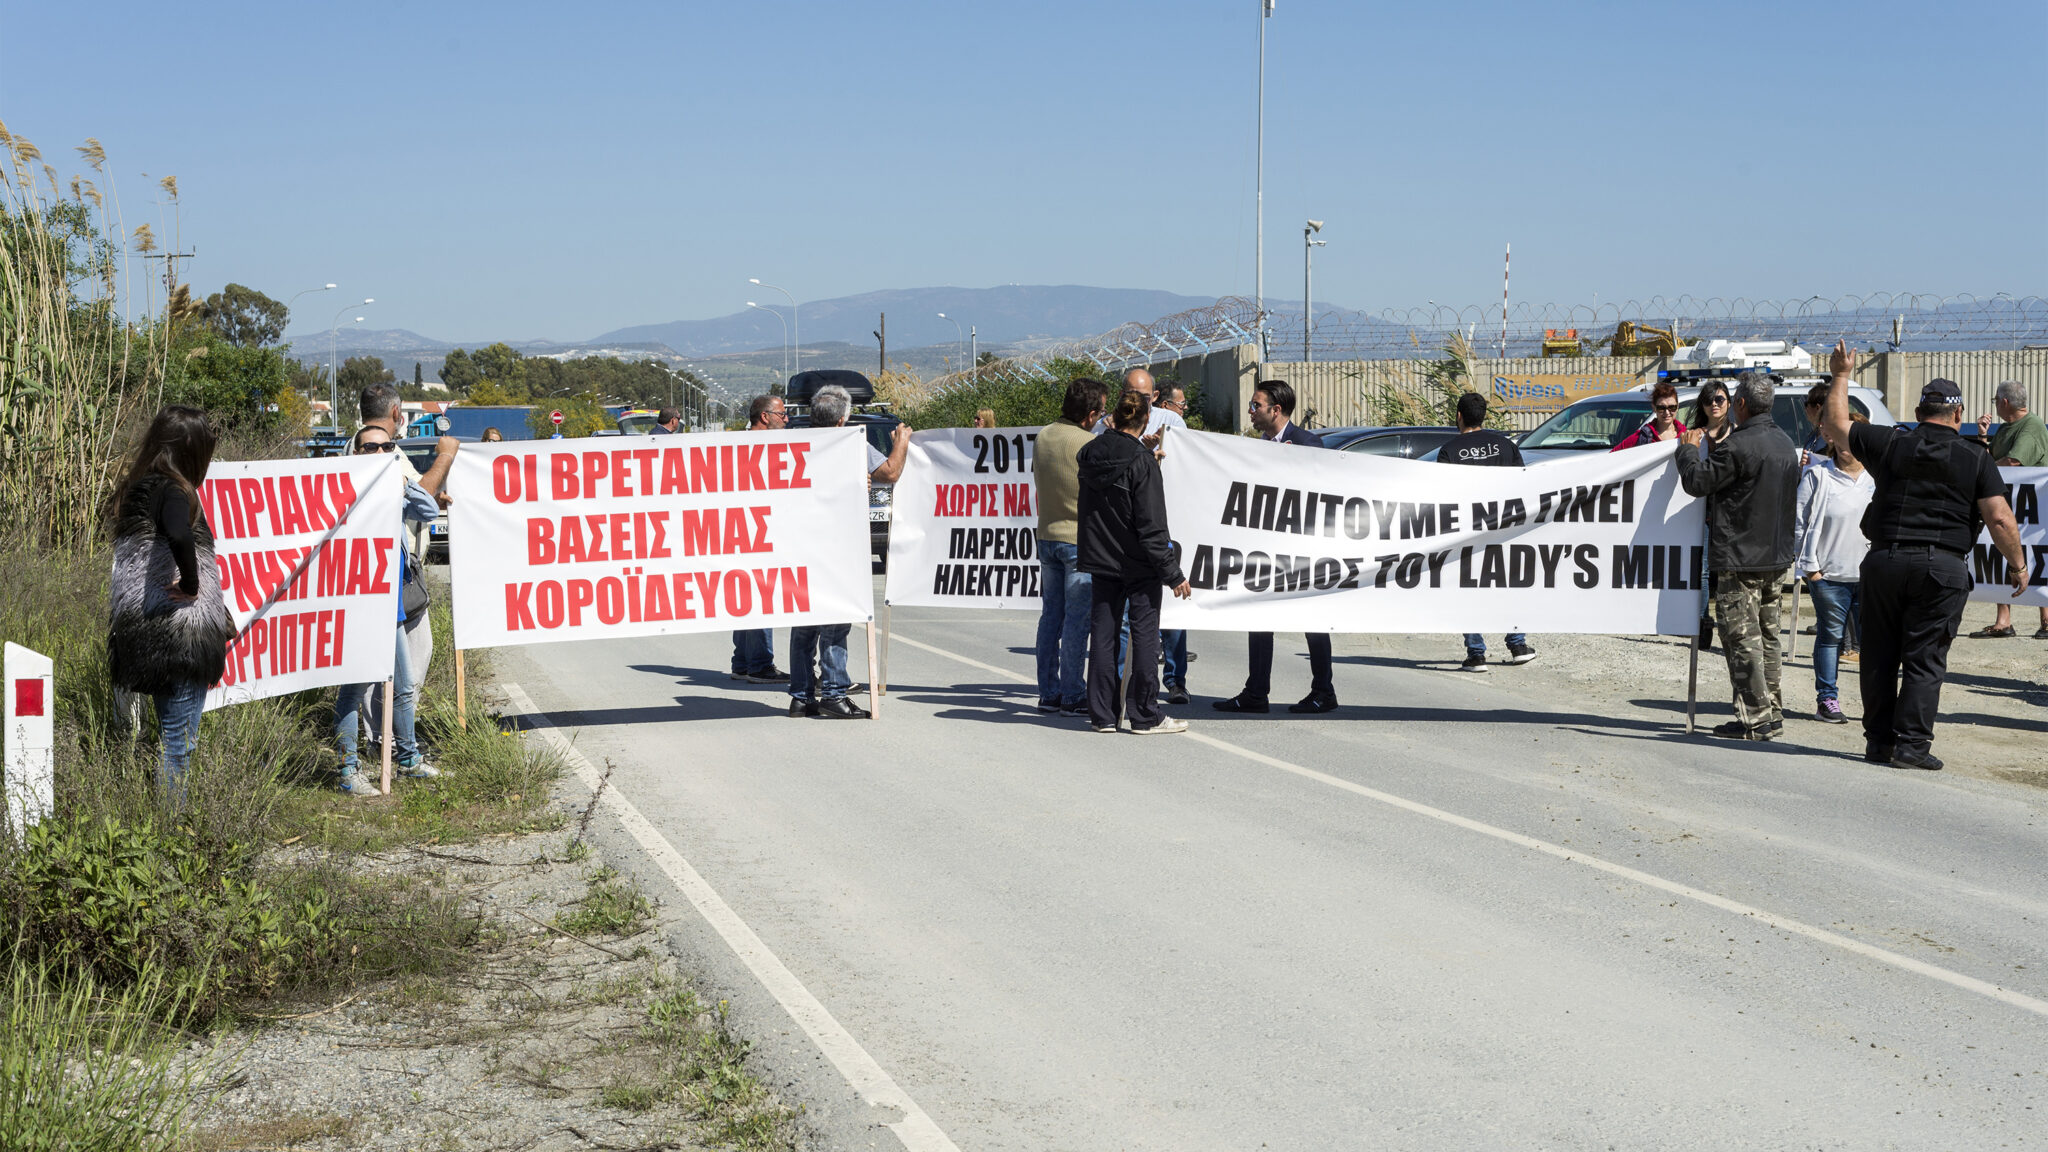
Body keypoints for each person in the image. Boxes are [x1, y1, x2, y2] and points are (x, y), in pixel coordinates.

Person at [1822, 351, 2028, 771]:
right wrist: (2018, 566)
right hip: (1941, 568)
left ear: (1918, 413)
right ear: (1959, 415)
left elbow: (1836, 426)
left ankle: (1879, 743)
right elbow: (2001, 518)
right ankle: (1912, 748)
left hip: (1884, 562)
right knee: (1925, 658)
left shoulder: (1890, 442)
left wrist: (1842, 375)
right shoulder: (1976, 457)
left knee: (1878, 655)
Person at [108, 406, 236, 802]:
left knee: (169, 739)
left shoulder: (139, 487)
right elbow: (180, 534)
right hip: (182, 637)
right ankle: (170, 834)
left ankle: (160, 826)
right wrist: (194, 584)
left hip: (149, 633)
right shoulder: (173, 489)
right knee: (179, 747)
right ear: (190, 451)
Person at [1675, 369, 1801, 741]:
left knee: (1741, 638)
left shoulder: (1740, 445)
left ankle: (1758, 718)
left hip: (1741, 557)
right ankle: (1768, 712)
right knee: (1767, 636)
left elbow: (1697, 482)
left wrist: (1686, 450)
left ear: (1740, 404)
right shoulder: (1782, 442)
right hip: (1775, 556)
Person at [334, 425, 458, 795]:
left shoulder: (394, 486)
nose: (381, 452)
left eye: (388, 446)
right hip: (359, 601)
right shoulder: (345, 490)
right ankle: (347, 772)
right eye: (371, 448)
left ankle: (407, 760)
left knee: (403, 685)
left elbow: (425, 507)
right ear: (355, 453)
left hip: (390, 603)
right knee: (353, 689)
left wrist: (405, 483)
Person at [1214, 380, 1337, 714]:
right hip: (1265, 551)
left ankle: (1324, 691)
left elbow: (1321, 495)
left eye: (1256, 405)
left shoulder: (1307, 444)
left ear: (1276, 410)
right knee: (1259, 617)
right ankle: (1256, 692)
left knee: (1313, 621)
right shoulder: (1256, 446)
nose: (1251, 411)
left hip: (1303, 551)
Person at [787, 384, 908, 719]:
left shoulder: (793, 445)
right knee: (836, 622)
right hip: (837, 545)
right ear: (843, 420)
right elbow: (891, 473)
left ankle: (801, 696)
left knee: (805, 623)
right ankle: (834, 693)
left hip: (801, 543)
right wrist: (901, 442)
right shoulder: (849, 444)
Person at [1077, 390, 1191, 734]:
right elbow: (1151, 525)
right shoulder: (1141, 462)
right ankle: (1145, 715)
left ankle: (1102, 714)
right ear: (1145, 421)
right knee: (1144, 636)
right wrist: (1173, 573)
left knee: (1103, 635)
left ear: (1115, 416)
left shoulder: (1090, 454)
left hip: (1101, 558)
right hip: (1138, 564)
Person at [1438, 392, 1536, 671]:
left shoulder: (1450, 451)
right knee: (1507, 586)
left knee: (1467, 589)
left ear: (1459, 416)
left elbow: (1442, 496)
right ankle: (1517, 644)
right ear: (1483, 416)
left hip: (1467, 532)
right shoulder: (1506, 446)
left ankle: (1477, 653)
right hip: (1505, 530)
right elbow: (1523, 485)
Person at [1033, 377, 1108, 715]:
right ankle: (1073, 692)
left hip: (1047, 534)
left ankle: (1048, 692)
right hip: (1078, 541)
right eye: (1101, 412)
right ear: (1090, 414)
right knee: (1077, 622)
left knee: (1051, 617)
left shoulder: (1043, 435)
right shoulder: (1088, 443)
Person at [1793, 428, 1875, 725]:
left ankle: (1875, 704)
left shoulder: (1876, 478)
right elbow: (1799, 521)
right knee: (1831, 637)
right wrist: (1810, 569)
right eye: (1840, 440)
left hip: (1869, 576)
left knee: (1873, 644)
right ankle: (1826, 699)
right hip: (1827, 576)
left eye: (1851, 441)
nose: (1844, 447)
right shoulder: (1819, 476)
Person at [1969, 381, 2048, 639]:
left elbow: (2014, 461)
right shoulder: (2005, 429)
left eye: (1995, 400)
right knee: (2001, 551)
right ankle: (2003, 621)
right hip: (2010, 502)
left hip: (2031, 508)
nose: (1995, 404)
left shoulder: (2032, 426)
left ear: (2004, 402)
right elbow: (1991, 459)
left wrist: (1987, 471)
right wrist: (1983, 436)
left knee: (2034, 556)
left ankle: (2046, 620)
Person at [731, 394, 788, 685]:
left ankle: (742, 662)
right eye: (782, 414)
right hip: (756, 531)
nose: (786, 419)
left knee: (746, 598)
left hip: (744, 531)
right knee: (760, 597)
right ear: (765, 417)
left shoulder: (735, 443)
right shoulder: (758, 447)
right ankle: (759, 664)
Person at [1689, 378, 1735, 650]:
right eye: (1709, 400)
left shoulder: (1739, 433)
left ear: (1729, 402)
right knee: (1703, 571)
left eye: (1719, 399)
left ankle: (1729, 626)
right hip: (1704, 511)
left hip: (1732, 512)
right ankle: (1703, 622)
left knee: (1730, 571)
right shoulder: (1695, 435)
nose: (1714, 404)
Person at [1092, 367, 1186, 441]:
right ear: (1121, 395)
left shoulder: (1172, 421)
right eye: (1132, 396)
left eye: (1145, 398)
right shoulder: (1104, 426)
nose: (1138, 403)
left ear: (1155, 396)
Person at [1610, 381, 1687, 451]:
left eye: (1671, 407)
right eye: (1661, 408)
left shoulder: (1686, 435)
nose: (1667, 412)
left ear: (1677, 407)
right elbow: (1613, 454)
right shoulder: (1644, 437)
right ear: (1654, 408)